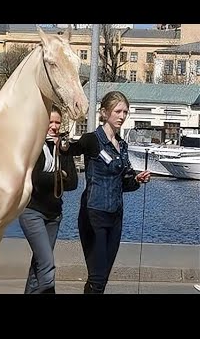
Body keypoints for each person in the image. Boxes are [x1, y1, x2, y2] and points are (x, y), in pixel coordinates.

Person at [61, 91, 151, 294]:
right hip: (94, 213)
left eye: (125, 112)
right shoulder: (92, 140)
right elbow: (71, 148)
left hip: (116, 216)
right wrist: (61, 141)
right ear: (104, 113)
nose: (122, 116)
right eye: (117, 111)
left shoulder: (122, 146)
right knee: (98, 277)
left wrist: (137, 180)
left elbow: (125, 183)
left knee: (101, 278)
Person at [19, 105, 78, 294]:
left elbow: (73, 183)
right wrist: (60, 175)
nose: (54, 127)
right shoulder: (34, 146)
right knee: (47, 264)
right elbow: (36, 179)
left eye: (57, 123)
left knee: (38, 264)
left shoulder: (63, 148)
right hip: (32, 212)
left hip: (54, 216)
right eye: (50, 122)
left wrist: (56, 174)